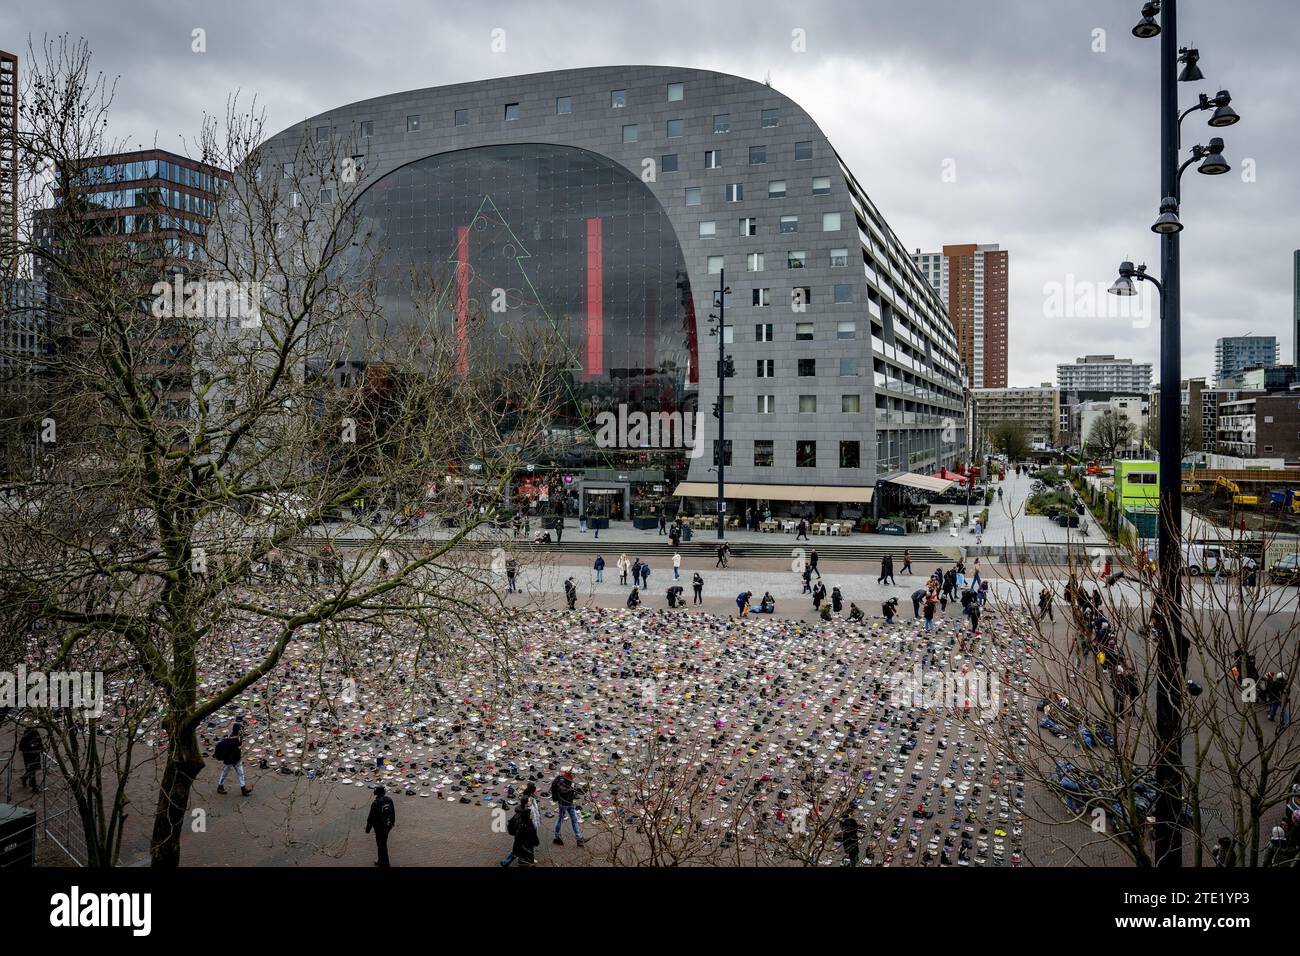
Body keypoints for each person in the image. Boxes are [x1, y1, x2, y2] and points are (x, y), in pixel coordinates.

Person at [501, 783, 541, 866]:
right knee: (525, 845)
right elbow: (529, 814)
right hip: (529, 827)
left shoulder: (531, 800)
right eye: (535, 790)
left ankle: (523, 858)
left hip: (532, 825)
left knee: (523, 845)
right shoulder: (527, 805)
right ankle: (523, 860)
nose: (536, 792)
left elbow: (534, 812)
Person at [215, 722, 251, 796]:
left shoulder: (237, 737)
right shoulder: (230, 739)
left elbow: (239, 743)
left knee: (241, 774)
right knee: (225, 773)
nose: (241, 731)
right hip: (230, 760)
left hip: (236, 759)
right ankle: (220, 786)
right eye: (240, 729)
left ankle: (243, 788)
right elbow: (235, 745)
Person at [365, 784, 396, 866]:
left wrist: (368, 829)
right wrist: (392, 823)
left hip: (380, 828)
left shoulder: (375, 803)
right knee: (382, 843)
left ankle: (384, 863)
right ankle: (381, 860)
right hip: (387, 826)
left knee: (381, 845)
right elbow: (393, 812)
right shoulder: (389, 799)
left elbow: (371, 817)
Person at [551, 769, 584, 846]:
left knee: (574, 819)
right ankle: (556, 837)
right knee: (560, 819)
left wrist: (581, 790)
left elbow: (574, 791)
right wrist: (572, 789)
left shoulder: (570, 780)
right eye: (574, 774)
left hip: (570, 803)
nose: (575, 776)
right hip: (563, 803)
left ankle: (579, 838)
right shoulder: (562, 781)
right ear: (570, 774)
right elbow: (563, 791)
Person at [18, 727, 42, 792]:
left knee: (32, 770)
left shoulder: (36, 733)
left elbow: (40, 742)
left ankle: (24, 778)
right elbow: (21, 747)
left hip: (35, 755)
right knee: (32, 770)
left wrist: (41, 748)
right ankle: (34, 787)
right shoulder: (26, 735)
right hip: (28, 756)